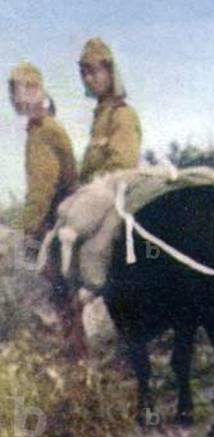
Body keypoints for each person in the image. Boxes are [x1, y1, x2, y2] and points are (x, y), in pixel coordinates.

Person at [7, 62, 84, 359]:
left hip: (55, 222)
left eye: (25, 89)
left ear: (39, 90)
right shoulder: (44, 127)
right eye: (13, 91)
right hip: (58, 218)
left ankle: (78, 362)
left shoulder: (43, 131)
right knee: (64, 296)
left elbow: (42, 189)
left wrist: (27, 231)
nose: (18, 98)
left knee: (63, 296)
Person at [77, 37, 141, 183]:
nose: (87, 79)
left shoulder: (122, 114)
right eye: (84, 73)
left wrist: (88, 185)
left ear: (110, 73)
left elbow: (123, 166)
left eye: (93, 71)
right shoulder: (100, 119)